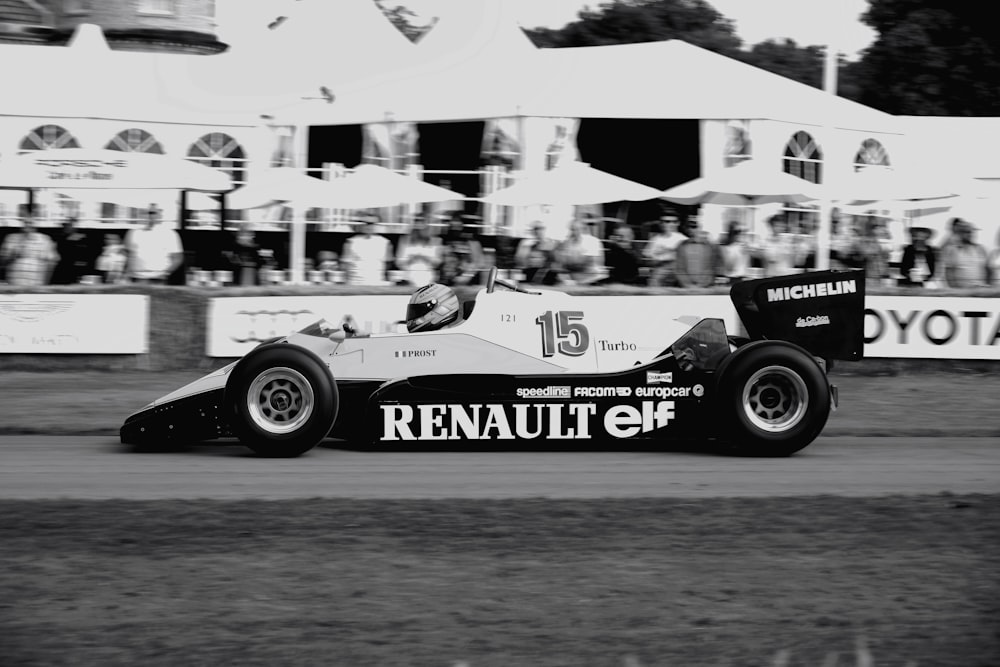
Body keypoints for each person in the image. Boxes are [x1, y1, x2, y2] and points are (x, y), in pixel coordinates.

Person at [124, 204, 184, 284]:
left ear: (160, 215)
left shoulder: (170, 234)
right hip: (136, 278)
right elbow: (126, 255)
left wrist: (166, 273)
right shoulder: (132, 233)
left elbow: (178, 258)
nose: (150, 216)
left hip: (158, 279)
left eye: (153, 213)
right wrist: (125, 274)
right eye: (147, 213)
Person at [0, 206, 59, 286]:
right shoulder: (11, 238)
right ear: (21, 222)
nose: (28, 224)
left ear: (36, 222)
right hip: (14, 283)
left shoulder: (45, 240)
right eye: (25, 221)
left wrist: (45, 283)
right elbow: (2, 261)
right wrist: (14, 253)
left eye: (31, 221)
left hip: (36, 284)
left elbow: (52, 263)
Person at [341, 214, 393, 286]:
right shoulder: (350, 242)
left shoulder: (386, 243)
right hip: (354, 283)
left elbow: (388, 264)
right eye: (366, 224)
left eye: (372, 224)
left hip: (377, 283)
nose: (369, 226)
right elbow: (345, 265)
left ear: (377, 225)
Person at [438, 212, 486, 286]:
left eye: (457, 221)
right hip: (447, 281)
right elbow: (440, 259)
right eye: (453, 221)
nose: (454, 223)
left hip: (467, 282)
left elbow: (479, 263)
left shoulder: (472, 242)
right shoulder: (444, 241)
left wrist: (465, 277)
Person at [395, 214, 442, 286]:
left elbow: (437, 263)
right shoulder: (404, 240)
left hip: (428, 279)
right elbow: (399, 262)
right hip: (409, 279)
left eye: (421, 221)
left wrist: (425, 258)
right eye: (417, 221)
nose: (419, 225)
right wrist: (411, 259)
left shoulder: (435, 241)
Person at [556, 217, 606, 285]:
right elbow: (562, 263)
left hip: (592, 278)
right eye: (571, 230)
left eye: (575, 229)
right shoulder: (567, 243)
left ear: (583, 229)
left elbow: (589, 262)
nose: (572, 232)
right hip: (574, 277)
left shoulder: (592, 241)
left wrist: (571, 262)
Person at [674, 219, 722, 288]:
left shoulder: (709, 246)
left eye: (694, 227)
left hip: (705, 287)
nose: (691, 229)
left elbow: (711, 268)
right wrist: (687, 285)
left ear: (700, 228)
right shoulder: (681, 245)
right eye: (689, 227)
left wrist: (702, 285)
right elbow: (679, 268)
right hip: (686, 288)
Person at [942, 218, 989, 288]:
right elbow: (948, 272)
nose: (970, 234)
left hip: (980, 289)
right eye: (967, 232)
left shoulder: (980, 249)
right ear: (960, 234)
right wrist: (954, 289)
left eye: (972, 232)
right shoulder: (952, 249)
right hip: (961, 290)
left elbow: (987, 269)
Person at [642, 215, 686, 287]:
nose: (668, 224)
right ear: (661, 223)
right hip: (656, 268)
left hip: (673, 270)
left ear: (678, 223)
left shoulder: (682, 239)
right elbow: (647, 255)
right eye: (665, 222)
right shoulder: (656, 238)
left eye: (673, 222)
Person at [514, 220, 561, 285]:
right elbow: (519, 260)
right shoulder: (525, 243)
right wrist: (529, 247)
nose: (538, 231)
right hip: (529, 271)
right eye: (536, 229)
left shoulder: (550, 243)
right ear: (532, 231)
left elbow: (556, 262)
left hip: (545, 273)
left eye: (541, 229)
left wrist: (548, 250)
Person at [51, 216, 91, 285]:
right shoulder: (61, 238)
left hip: (74, 269)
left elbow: (84, 256)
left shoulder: (82, 238)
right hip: (63, 268)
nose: (68, 227)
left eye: (70, 225)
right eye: (67, 225)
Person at [602, 220, 641, 285]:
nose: (620, 239)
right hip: (615, 280)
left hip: (628, 281)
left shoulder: (634, 251)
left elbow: (635, 260)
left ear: (631, 236)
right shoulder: (613, 249)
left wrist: (617, 245)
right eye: (617, 235)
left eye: (622, 236)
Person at [718, 219, 753, 283]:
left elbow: (748, 265)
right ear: (731, 233)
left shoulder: (744, 246)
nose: (740, 234)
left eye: (742, 232)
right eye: (736, 232)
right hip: (732, 279)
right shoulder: (726, 248)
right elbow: (729, 267)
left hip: (743, 278)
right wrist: (735, 253)